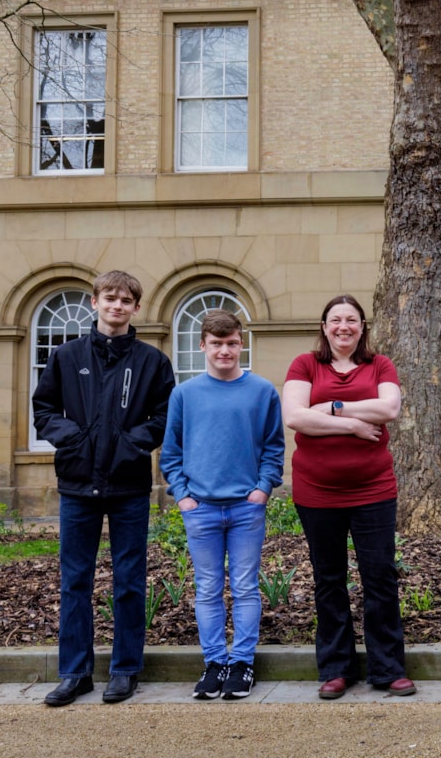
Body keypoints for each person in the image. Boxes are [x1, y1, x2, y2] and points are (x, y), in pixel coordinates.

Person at [32, 270, 175, 706]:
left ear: (135, 308)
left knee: (129, 581)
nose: (117, 306)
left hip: (130, 486)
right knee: (75, 581)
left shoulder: (153, 362)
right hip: (77, 485)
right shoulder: (66, 355)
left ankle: (125, 669)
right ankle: (75, 673)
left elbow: (164, 418)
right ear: (94, 303)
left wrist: (132, 445)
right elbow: (44, 410)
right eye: (109, 298)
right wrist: (75, 440)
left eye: (126, 300)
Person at [282, 295, 414, 700]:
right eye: (335, 319)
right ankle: (337, 669)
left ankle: (388, 669)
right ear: (324, 326)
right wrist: (355, 426)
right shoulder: (305, 365)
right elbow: (295, 417)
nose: (344, 326)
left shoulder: (380, 365)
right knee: (329, 580)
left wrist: (334, 407)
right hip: (317, 492)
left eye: (351, 320)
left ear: (362, 326)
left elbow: (389, 408)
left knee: (379, 577)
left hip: (373, 489)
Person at [160, 310, 285, 700]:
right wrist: (182, 495)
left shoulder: (262, 391)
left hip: (247, 507)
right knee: (208, 587)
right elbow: (171, 451)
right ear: (203, 346)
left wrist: (263, 488)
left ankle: (242, 664)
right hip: (201, 508)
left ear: (241, 343)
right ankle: (215, 663)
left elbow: (273, 446)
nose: (225, 350)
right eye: (216, 343)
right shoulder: (185, 394)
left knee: (246, 587)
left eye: (232, 343)